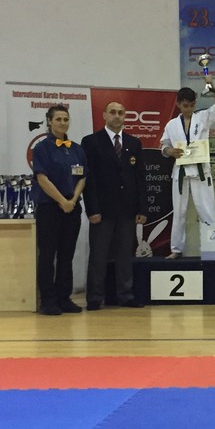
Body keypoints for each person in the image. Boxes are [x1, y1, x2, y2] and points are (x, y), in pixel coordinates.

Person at [81, 101, 149, 311]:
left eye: (121, 112)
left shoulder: (133, 143)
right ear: (104, 115)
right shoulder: (91, 142)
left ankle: (125, 295)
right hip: (102, 211)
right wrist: (92, 209)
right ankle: (94, 297)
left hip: (127, 210)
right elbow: (88, 179)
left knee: (125, 256)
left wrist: (142, 208)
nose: (117, 116)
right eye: (113, 112)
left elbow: (140, 178)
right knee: (98, 256)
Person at [31, 104, 87, 315]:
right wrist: (62, 201)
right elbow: (42, 178)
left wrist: (72, 200)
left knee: (66, 255)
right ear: (49, 121)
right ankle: (48, 300)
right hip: (49, 209)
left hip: (72, 209)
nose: (63, 123)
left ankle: (64, 298)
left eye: (65, 119)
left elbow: (82, 177)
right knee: (47, 255)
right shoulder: (41, 148)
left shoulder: (76, 149)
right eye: (58, 119)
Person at [160, 84, 215, 258]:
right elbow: (164, 145)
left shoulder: (202, 117)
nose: (188, 109)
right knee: (179, 212)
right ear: (178, 104)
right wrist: (170, 151)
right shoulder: (172, 125)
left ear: (195, 104)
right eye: (185, 105)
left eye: (191, 105)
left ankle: (213, 249)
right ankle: (176, 249)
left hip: (200, 171)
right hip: (180, 173)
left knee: (207, 210)